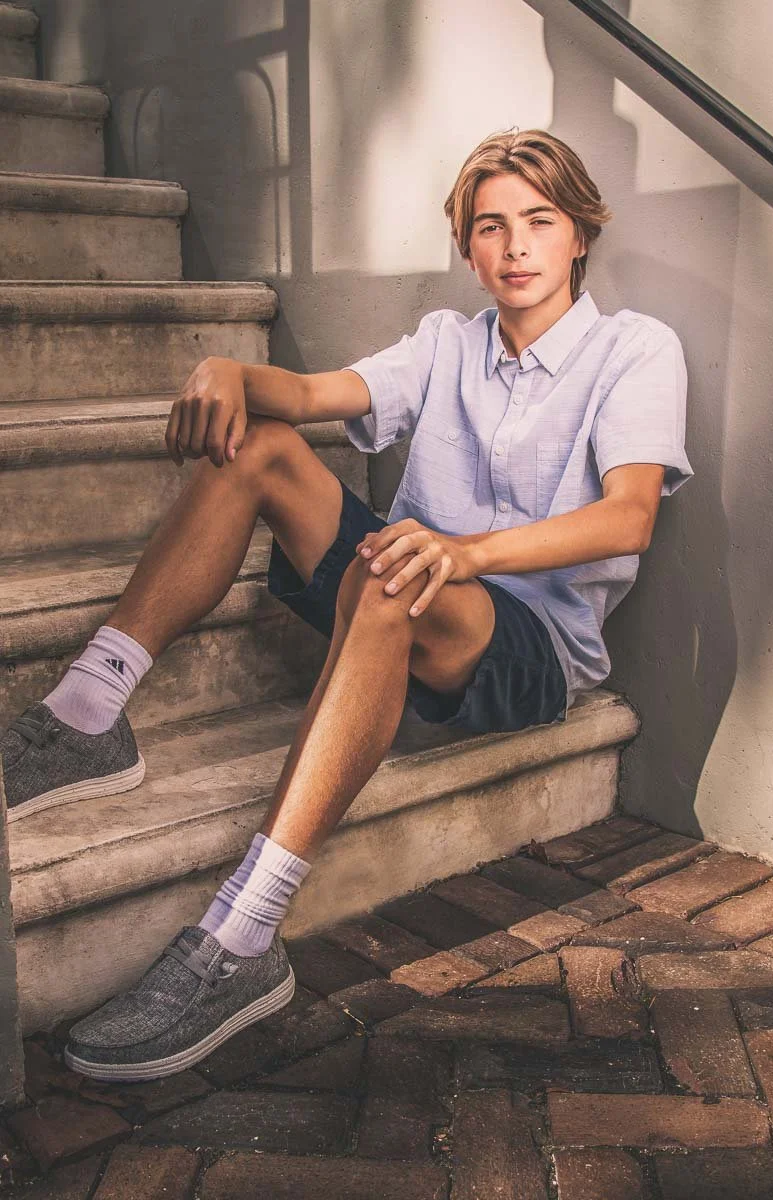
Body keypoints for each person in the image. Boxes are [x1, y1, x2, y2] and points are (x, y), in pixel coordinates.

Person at [0, 128, 692, 1080]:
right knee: (261, 444)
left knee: (393, 570)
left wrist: (465, 552)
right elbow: (311, 392)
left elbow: (628, 518)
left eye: (540, 221)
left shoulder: (634, 350)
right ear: (468, 248)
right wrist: (233, 373)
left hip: (526, 647)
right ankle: (87, 710)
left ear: (580, 234)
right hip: (398, 593)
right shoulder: (448, 344)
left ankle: (243, 934)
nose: (516, 246)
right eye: (491, 226)